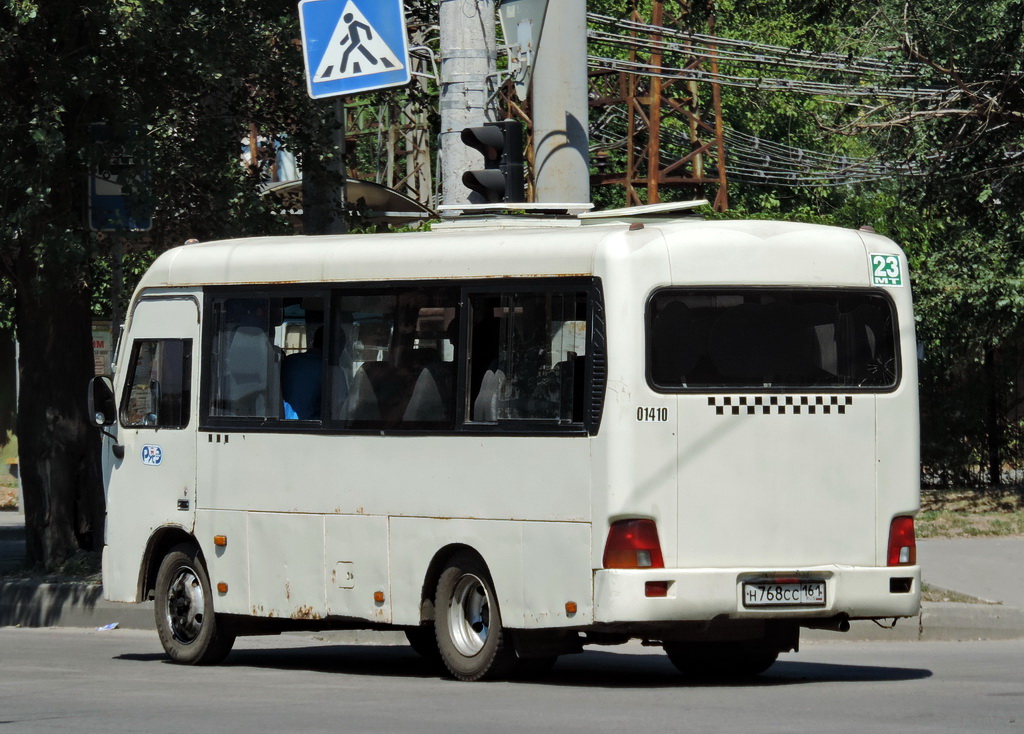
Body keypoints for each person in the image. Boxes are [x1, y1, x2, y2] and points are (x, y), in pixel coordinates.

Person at [282, 327, 323, 420]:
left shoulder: (289, 361)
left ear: (313, 342)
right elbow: (339, 409)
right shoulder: (330, 370)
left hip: (281, 424)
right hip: (314, 428)